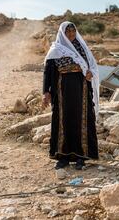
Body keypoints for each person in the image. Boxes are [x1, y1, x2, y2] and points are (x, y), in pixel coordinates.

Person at [42, 21, 100, 170]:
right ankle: (63, 157)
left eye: (73, 31)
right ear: (62, 33)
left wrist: (90, 73)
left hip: (81, 90)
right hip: (62, 91)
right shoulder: (56, 50)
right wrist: (46, 92)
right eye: (68, 32)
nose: (71, 34)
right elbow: (48, 72)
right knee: (63, 121)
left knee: (81, 120)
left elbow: (92, 66)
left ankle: (81, 157)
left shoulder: (82, 48)